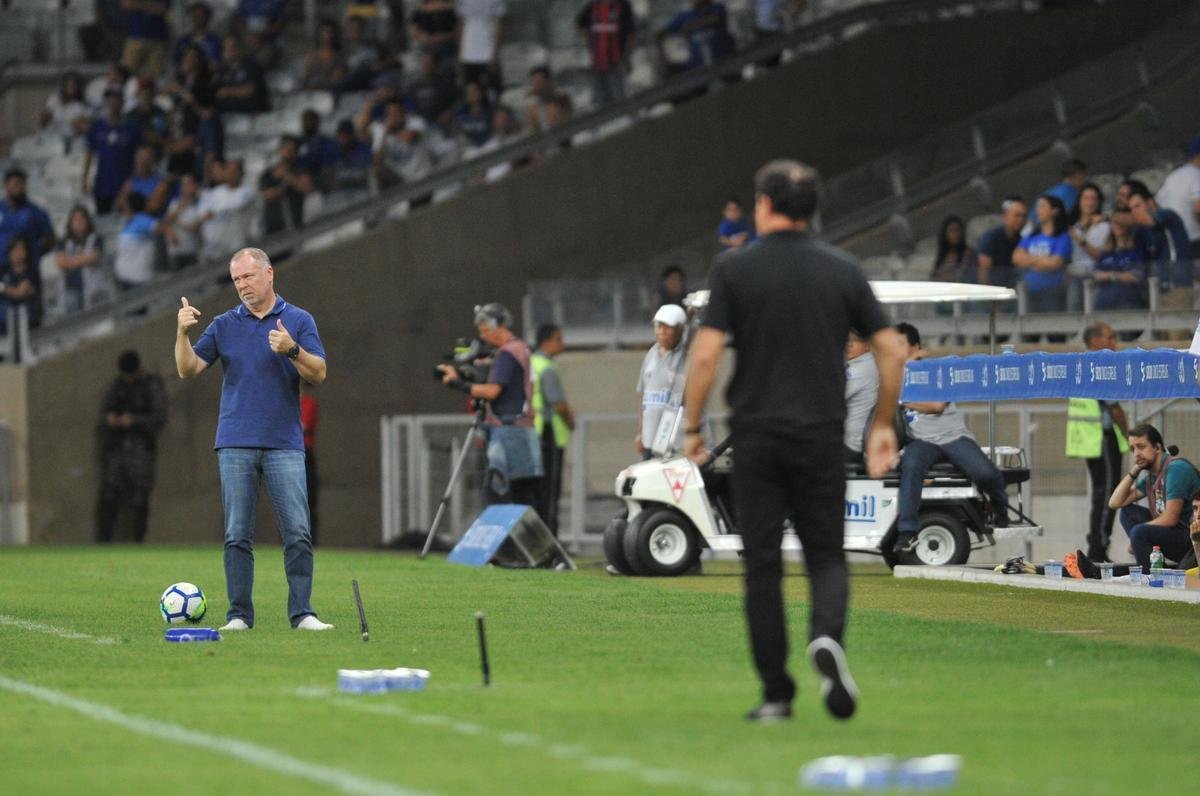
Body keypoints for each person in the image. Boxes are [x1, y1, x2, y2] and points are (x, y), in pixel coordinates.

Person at [683, 159, 906, 722]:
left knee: (762, 567)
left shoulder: (734, 269)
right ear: (813, 210)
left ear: (762, 204)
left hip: (757, 436)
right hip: (821, 435)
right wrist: (882, 423)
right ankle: (827, 637)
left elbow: (706, 354)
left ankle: (777, 694)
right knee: (826, 556)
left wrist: (691, 426)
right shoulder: (842, 270)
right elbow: (892, 348)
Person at [174, 247, 331, 631]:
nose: (242, 285)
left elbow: (320, 373)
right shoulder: (225, 324)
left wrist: (291, 349)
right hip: (235, 440)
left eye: (248, 277)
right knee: (236, 534)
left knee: (297, 530)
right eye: (237, 279)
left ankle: (302, 613)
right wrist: (181, 333)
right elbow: (187, 368)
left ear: (269, 274)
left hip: (284, 441)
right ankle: (239, 616)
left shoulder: (297, 319)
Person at [895, 322, 1011, 551]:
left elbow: (937, 406)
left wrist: (901, 401)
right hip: (922, 441)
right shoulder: (893, 376)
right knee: (911, 467)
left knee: (985, 473)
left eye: (900, 344)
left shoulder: (937, 371)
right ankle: (907, 532)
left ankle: (1000, 508)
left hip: (953, 436)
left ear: (915, 347)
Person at [438, 303, 544, 507]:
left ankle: (502, 538)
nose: (483, 336)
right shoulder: (522, 348)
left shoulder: (506, 354)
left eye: (485, 330)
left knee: (498, 493)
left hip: (507, 431)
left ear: (498, 326)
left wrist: (457, 383)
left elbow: (492, 391)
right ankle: (522, 537)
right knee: (523, 497)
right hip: (524, 431)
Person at [1065, 323, 1128, 562]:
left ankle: (1097, 547)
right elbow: (1114, 408)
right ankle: (1098, 550)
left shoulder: (1081, 364)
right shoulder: (1099, 366)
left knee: (1101, 494)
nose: (1114, 343)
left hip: (1091, 441)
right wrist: (1129, 432)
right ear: (1095, 341)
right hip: (1103, 439)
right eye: (1110, 338)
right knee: (1108, 495)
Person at [95, 350, 167, 543]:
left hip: (141, 448)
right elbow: (105, 411)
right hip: (117, 448)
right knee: (109, 496)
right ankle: (104, 540)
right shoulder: (117, 385)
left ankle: (138, 539)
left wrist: (134, 421)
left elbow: (158, 417)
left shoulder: (151, 385)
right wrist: (110, 419)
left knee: (140, 497)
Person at [1107, 423, 1199, 571]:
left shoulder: (1176, 470)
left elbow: (1170, 518)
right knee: (1127, 513)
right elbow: (1115, 502)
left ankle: (1152, 578)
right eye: (1133, 449)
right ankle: (1155, 567)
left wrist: (1136, 535)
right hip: (1175, 532)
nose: (1136, 453)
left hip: (1193, 539)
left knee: (1139, 532)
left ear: (1157, 448)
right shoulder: (1152, 475)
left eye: (1141, 447)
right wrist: (1135, 469)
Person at [531, 323, 575, 535]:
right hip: (549, 435)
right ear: (546, 341)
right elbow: (558, 403)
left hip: (533, 434)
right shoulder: (546, 367)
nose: (562, 343)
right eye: (558, 339)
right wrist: (570, 420)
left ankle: (537, 539)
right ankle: (550, 541)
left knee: (537, 491)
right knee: (549, 492)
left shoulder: (531, 363)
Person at [1127, 181, 1193, 315]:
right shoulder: (1140, 231)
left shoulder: (1168, 215)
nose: (1135, 212)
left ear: (1150, 203)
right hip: (1156, 291)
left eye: (1138, 206)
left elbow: (1148, 220)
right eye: (1131, 209)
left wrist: (1108, 217)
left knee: (1178, 334)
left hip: (1177, 287)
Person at [635, 304, 687, 460]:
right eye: (659, 326)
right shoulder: (651, 354)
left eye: (668, 327)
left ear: (680, 329)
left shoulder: (685, 356)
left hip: (675, 443)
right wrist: (640, 432)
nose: (661, 332)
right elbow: (643, 395)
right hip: (650, 440)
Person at [84, 87, 142, 215]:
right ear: (106, 102)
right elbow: (89, 153)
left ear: (122, 102)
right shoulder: (97, 127)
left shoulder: (132, 128)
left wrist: (135, 180)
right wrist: (85, 179)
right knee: (104, 218)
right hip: (103, 184)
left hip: (125, 183)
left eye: (117, 100)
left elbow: (139, 155)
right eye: (111, 100)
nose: (114, 104)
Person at [1013, 194, 1071, 313]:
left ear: (1054, 211)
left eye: (1043, 207)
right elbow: (1016, 258)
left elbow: (1055, 263)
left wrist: (1028, 260)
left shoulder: (1062, 237)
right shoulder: (1032, 235)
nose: (1038, 210)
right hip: (1028, 291)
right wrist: (1041, 260)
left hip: (1052, 292)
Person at [576, 0, 635, 106]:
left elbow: (631, 35)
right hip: (597, 64)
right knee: (600, 102)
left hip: (616, 63)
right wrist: (589, 44)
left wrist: (625, 58)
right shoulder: (593, 6)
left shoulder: (622, 5)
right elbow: (579, 23)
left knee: (619, 99)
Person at [1066, 183, 1111, 312]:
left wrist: (1082, 242)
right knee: (1074, 310)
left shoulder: (1106, 227)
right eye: (1086, 198)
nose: (1090, 202)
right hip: (1074, 275)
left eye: (1094, 198)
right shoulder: (1072, 227)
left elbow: (1102, 256)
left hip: (1096, 275)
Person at [258, 136, 314, 236]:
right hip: (272, 224)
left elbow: (307, 188)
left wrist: (288, 177)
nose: (288, 152)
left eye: (292, 150)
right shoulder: (268, 173)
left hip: (294, 222)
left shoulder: (299, 170)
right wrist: (282, 186)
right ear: (280, 149)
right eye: (286, 148)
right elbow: (266, 194)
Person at [0, 168, 56, 268]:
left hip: (26, 269)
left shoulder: (35, 211)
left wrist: (35, 252)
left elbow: (49, 238)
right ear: (6, 185)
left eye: (22, 184)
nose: (19, 188)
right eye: (15, 184)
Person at [1155, 136, 1200, 260]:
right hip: (1194, 239)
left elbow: (1157, 204)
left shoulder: (1174, 175)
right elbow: (1198, 208)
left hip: (1173, 240)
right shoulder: (1196, 175)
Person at [55, 205, 106, 312]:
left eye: (82, 218)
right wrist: (84, 259)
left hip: (93, 289)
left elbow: (95, 257)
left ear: (87, 220)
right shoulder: (63, 242)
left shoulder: (96, 239)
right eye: (75, 219)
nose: (79, 221)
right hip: (71, 290)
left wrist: (71, 261)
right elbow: (61, 263)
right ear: (70, 222)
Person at [1093, 215, 1147, 312]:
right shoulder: (1106, 253)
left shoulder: (1135, 251)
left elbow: (1137, 276)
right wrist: (1121, 276)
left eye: (1120, 224)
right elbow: (1096, 275)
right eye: (1114, 224)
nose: (1117, 226)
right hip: (1105, 301)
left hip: (1129, 300)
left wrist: (1111, 275)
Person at [976, 196, 1028, 290]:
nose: (1021, 220)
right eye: (1017, 215)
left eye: (1023, 216)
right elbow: (983, 271)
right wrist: (990, 297)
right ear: (1006, 216)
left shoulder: (1023, 240)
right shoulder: (991, 237)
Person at [843, 331, 878, 464]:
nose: (849, 345)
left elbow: (832, 397)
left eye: (855, 341)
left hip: (850, 444)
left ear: (867, 345)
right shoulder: (867, 363)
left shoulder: (859, 369)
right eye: (847, 340)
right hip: (852, 440)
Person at [456, 0, 506, 92]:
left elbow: (499, 27)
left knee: (490, 88)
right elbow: (461, 26)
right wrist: (460, 54)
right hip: (468, 52)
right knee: (470, 88)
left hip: (487, 51)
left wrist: (494, 54)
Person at [40, 71, 91, 154]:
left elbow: (86, 128)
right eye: (69, 84)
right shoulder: (54, 99)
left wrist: (78, 125)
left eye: (74, 84)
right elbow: (43, 122)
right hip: (50, 138)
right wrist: (45, 116)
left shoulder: (82, 105)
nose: (72, 86)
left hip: (70, 142)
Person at [0, 237, 42, 333]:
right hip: (5, 314)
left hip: (29, 315)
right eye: (14, 250)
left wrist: (3, 288)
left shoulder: (31, 271)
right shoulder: (3, 270)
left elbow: (19, 293)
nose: (18, 253)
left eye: (21, 249)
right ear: (9, 253)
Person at [121, 0, 172, 79]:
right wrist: (150, 6)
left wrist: (139, 5)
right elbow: (127, 3)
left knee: (156, 77)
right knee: (126, 74)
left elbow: (162, 9)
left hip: (158, 39)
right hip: (135, 37)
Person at [929, 215, 978, 283]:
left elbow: (962, 276)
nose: (956, 234)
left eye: (958, 230)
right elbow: (933, 277)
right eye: (951, 230)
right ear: (945, 234)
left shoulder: (968, 253)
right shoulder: (943, 255)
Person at [300, 381, 320, 545]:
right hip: (286, 450)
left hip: (303, 452)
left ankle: (310, 539)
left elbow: (303, 427)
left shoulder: (308, 403)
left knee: (308, 498)